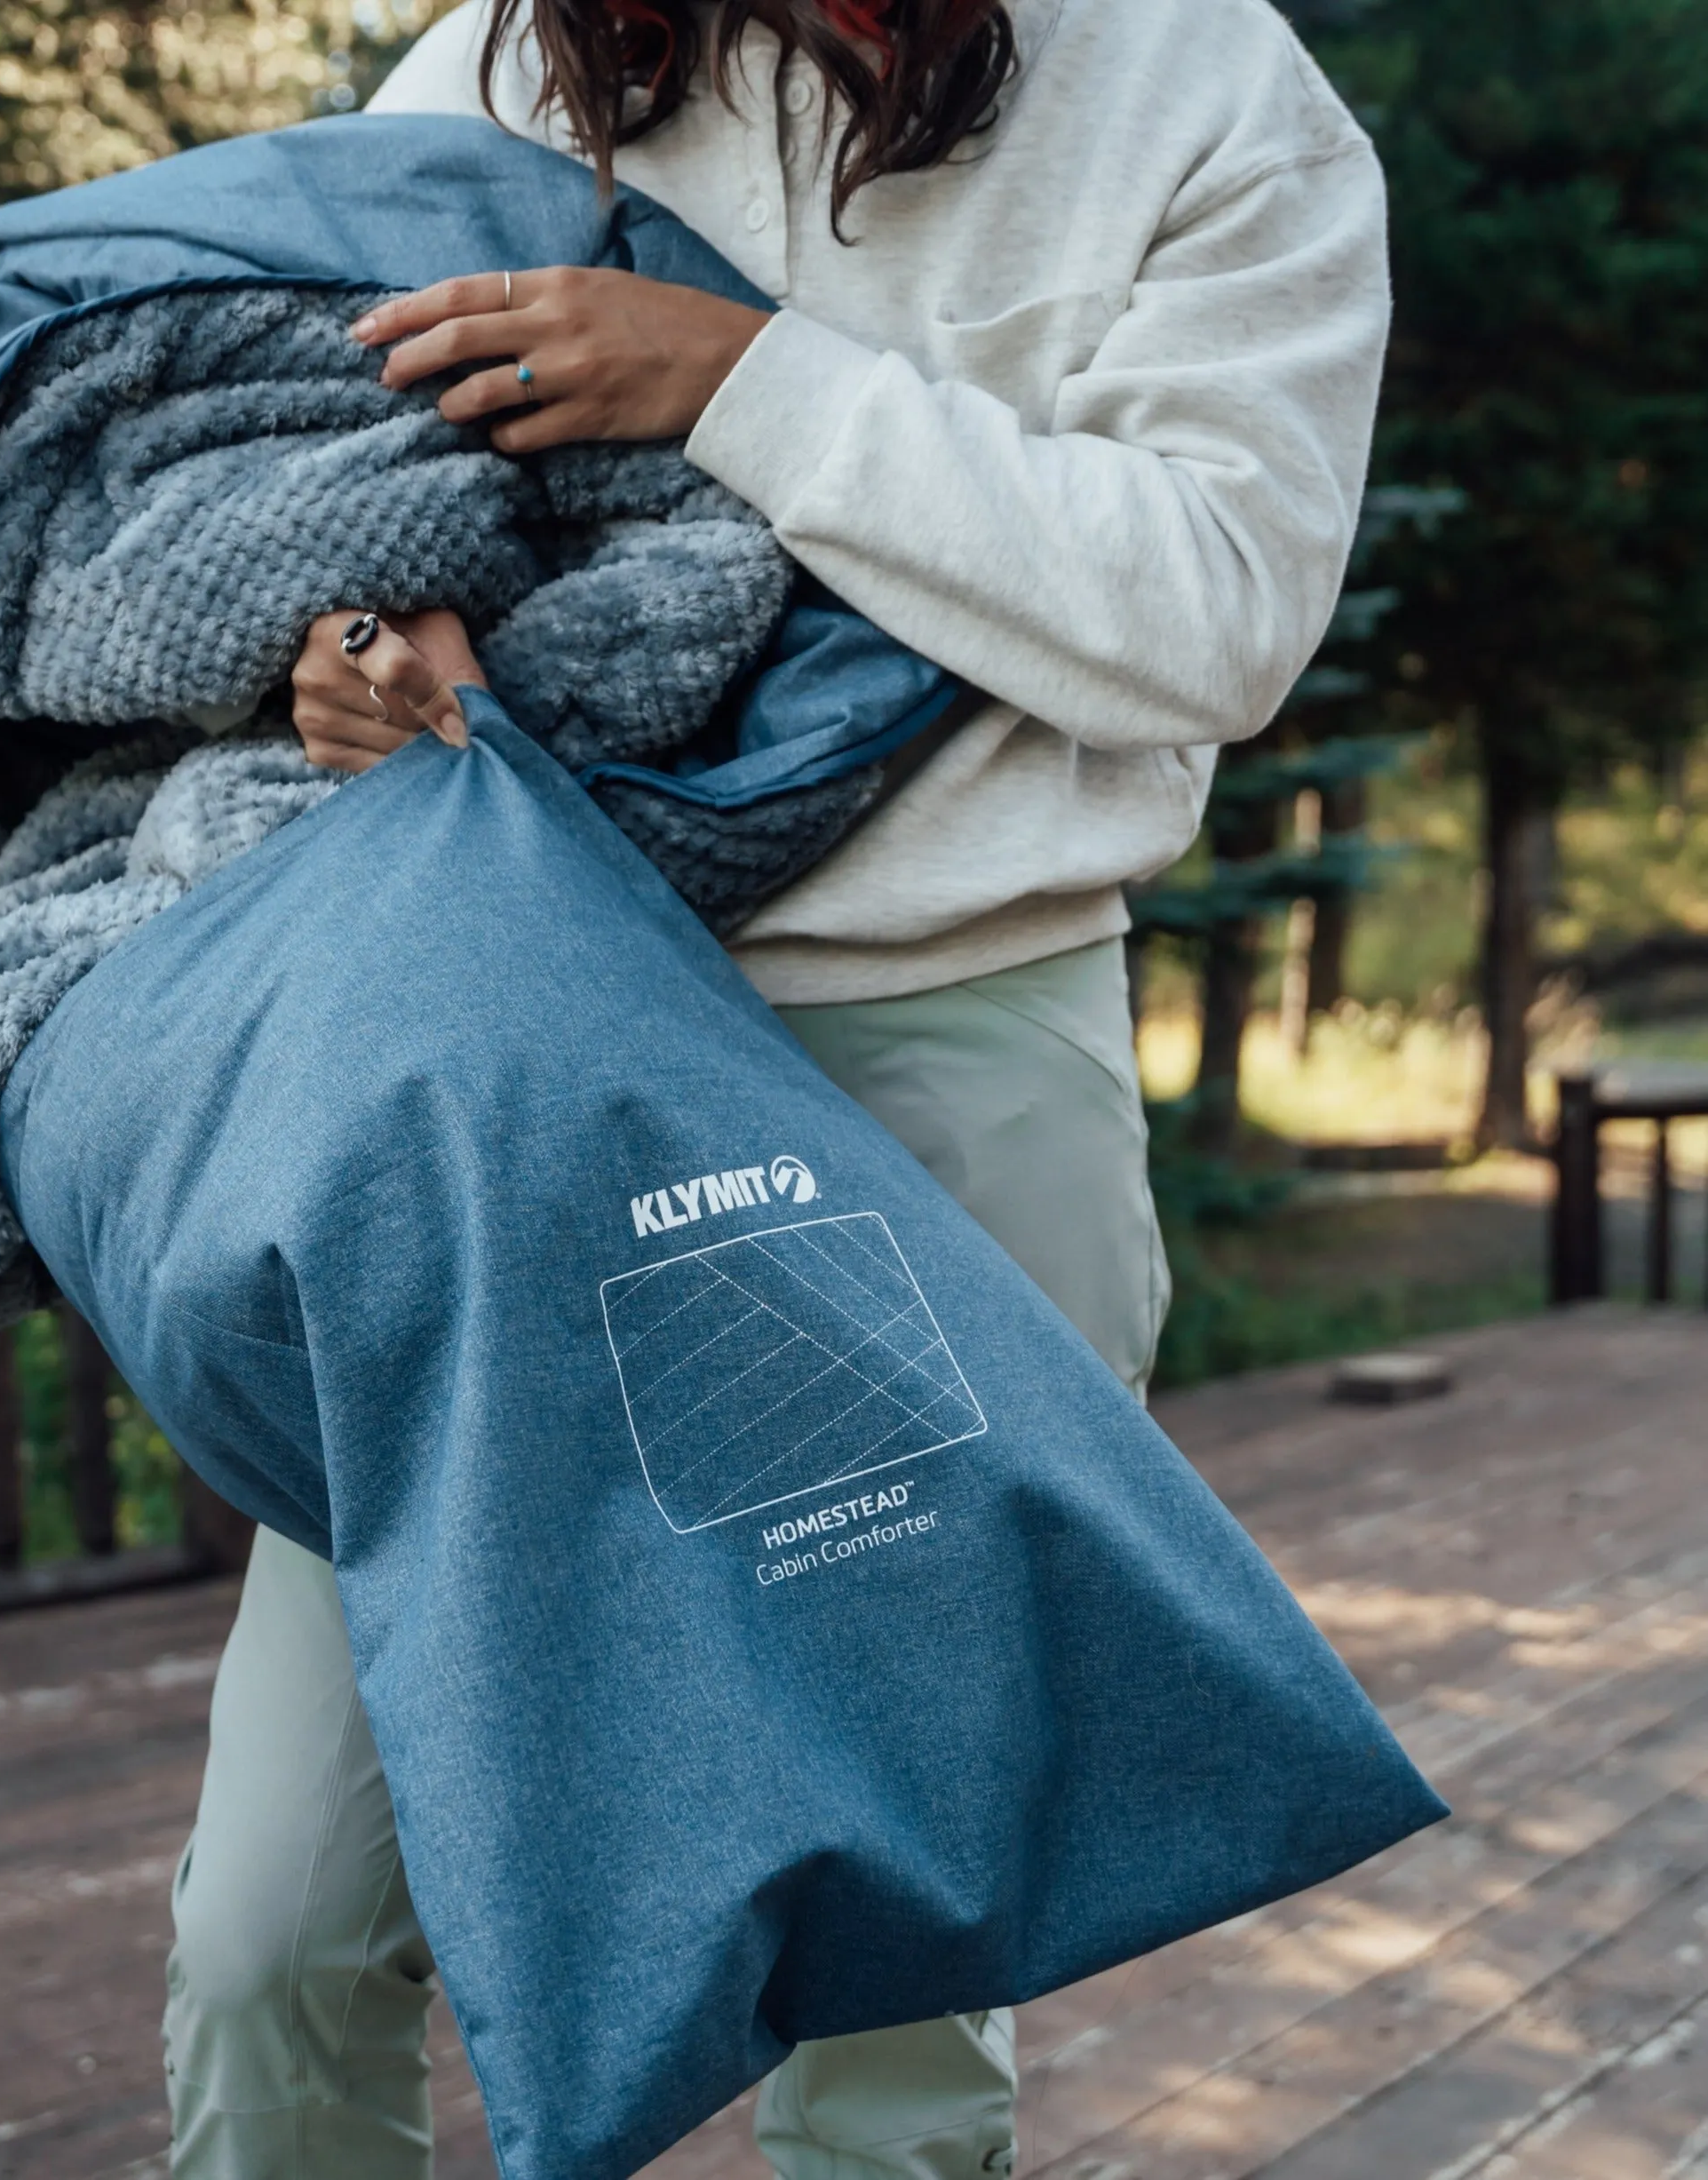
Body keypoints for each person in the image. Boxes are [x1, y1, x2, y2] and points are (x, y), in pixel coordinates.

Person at [166, 0, 1388, 2166]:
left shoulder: (1204, 84)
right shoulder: (486, 74)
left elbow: (1221, 610)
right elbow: (332, 486)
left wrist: (737, 379)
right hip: (513, 1054)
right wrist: (351, 664)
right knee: (278, 1928)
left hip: (947, 1049)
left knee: (889, 1993)